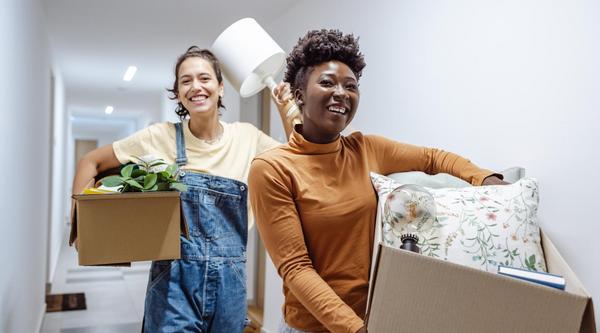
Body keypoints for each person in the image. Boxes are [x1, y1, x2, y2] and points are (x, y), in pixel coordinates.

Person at [248, 30, 507, 333]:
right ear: (299, 94)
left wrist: (488, 180)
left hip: (376, 319)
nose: (342, 93)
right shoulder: (271, 168)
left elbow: (433, 158)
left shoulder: (365, 149)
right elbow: (296, 269)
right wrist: (355, 329)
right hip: (314, 328)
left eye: (351, 86)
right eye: (328, 83)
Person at [71, 46, 293, 332]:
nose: (196, 87)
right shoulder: (158, 136)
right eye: (186, 81)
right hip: (174, 284)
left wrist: (286, 110)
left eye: (204, 78)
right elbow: (90, 162)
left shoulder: (247, 138)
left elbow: (295, 162)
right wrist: (81, 224)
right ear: (177, 92)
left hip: (231, 284)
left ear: (221, 87)